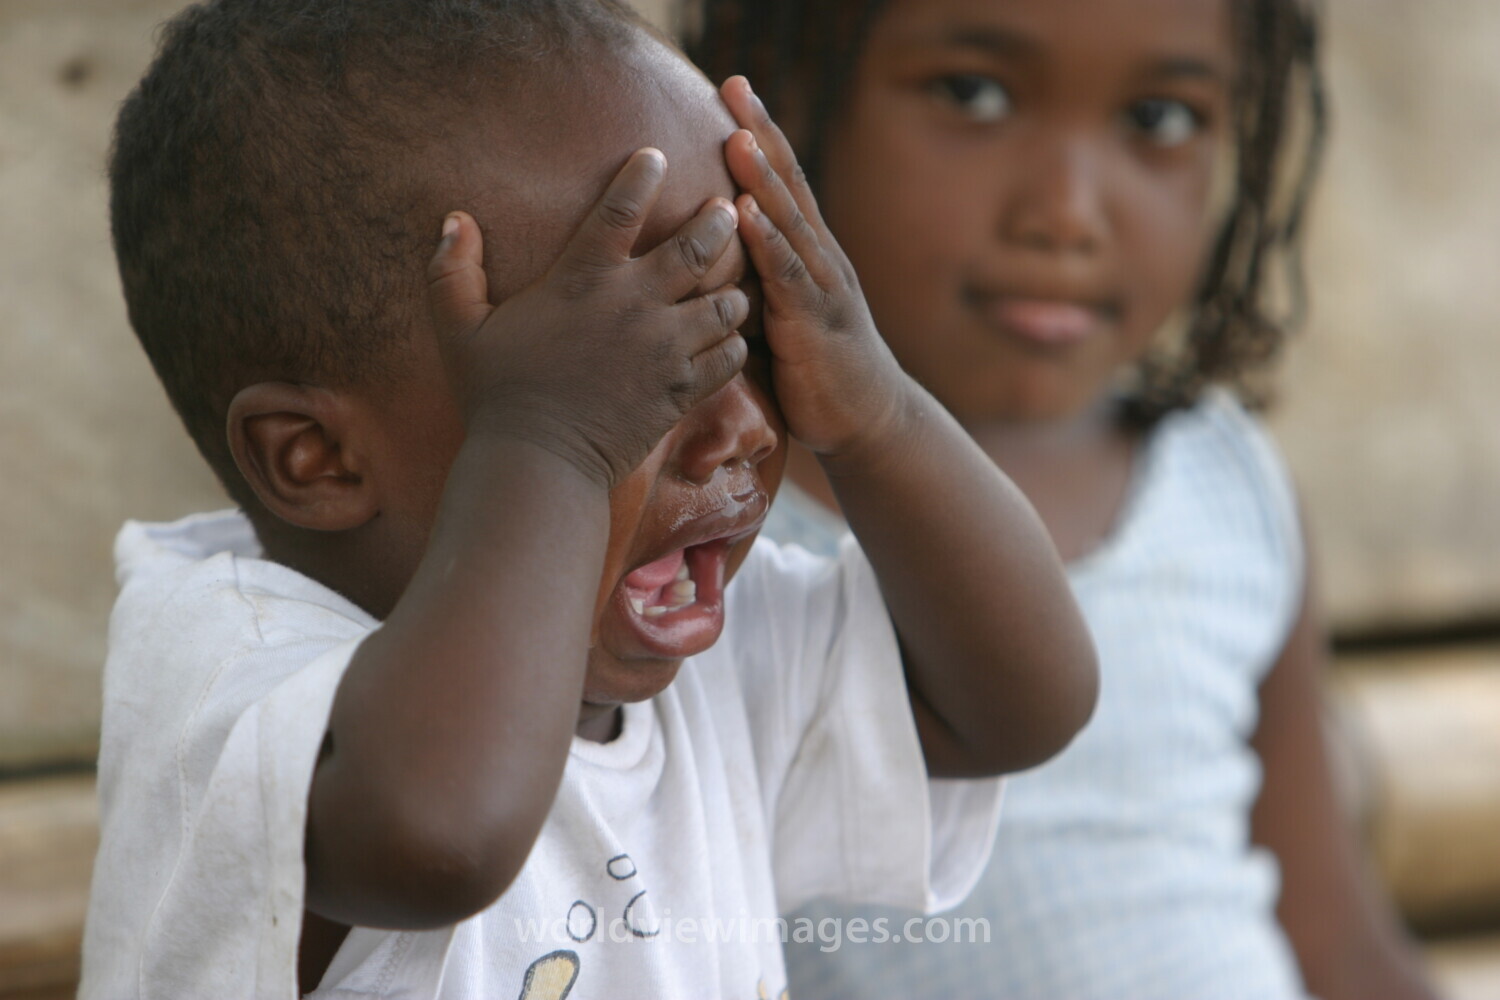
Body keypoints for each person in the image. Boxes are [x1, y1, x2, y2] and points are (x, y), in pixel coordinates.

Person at [78, 1, 1100, 998]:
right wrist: (553, 446)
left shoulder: (705, 671)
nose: (743, 426)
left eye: (744, 338)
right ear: (318, 460)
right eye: (625, 378)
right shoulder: (229, 672)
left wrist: (878, 410)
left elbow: (1018, 706)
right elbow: (439, 836)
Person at [687, 1, 1443, 998]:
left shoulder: (1219, 482)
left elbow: (1337, 941)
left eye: (1160, 118)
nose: (1067, 213)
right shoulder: (698, 511)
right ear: (774, 94)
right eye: (973, 94)